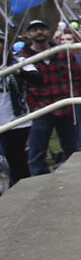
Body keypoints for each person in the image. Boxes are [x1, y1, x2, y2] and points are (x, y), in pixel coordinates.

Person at [17, 19, 81, 176]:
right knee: (37, 150)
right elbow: (24, 87)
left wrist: (77, 101)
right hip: (41, 108)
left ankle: (73, 177)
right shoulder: (22, 58)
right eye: (34, 30)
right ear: (27, 34)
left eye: (42, 29)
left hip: (67, 106)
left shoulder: (63, 53)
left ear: (49, 32)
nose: (39, 32)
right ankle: (39, 179)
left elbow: (76, 77)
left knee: (72, 148)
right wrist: (33, 106)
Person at [0, 40, 36, 187]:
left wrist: (17, 71)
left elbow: (36, 78)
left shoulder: (19, 61)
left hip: (16, 120)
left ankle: (21, 191)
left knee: (17, 161)